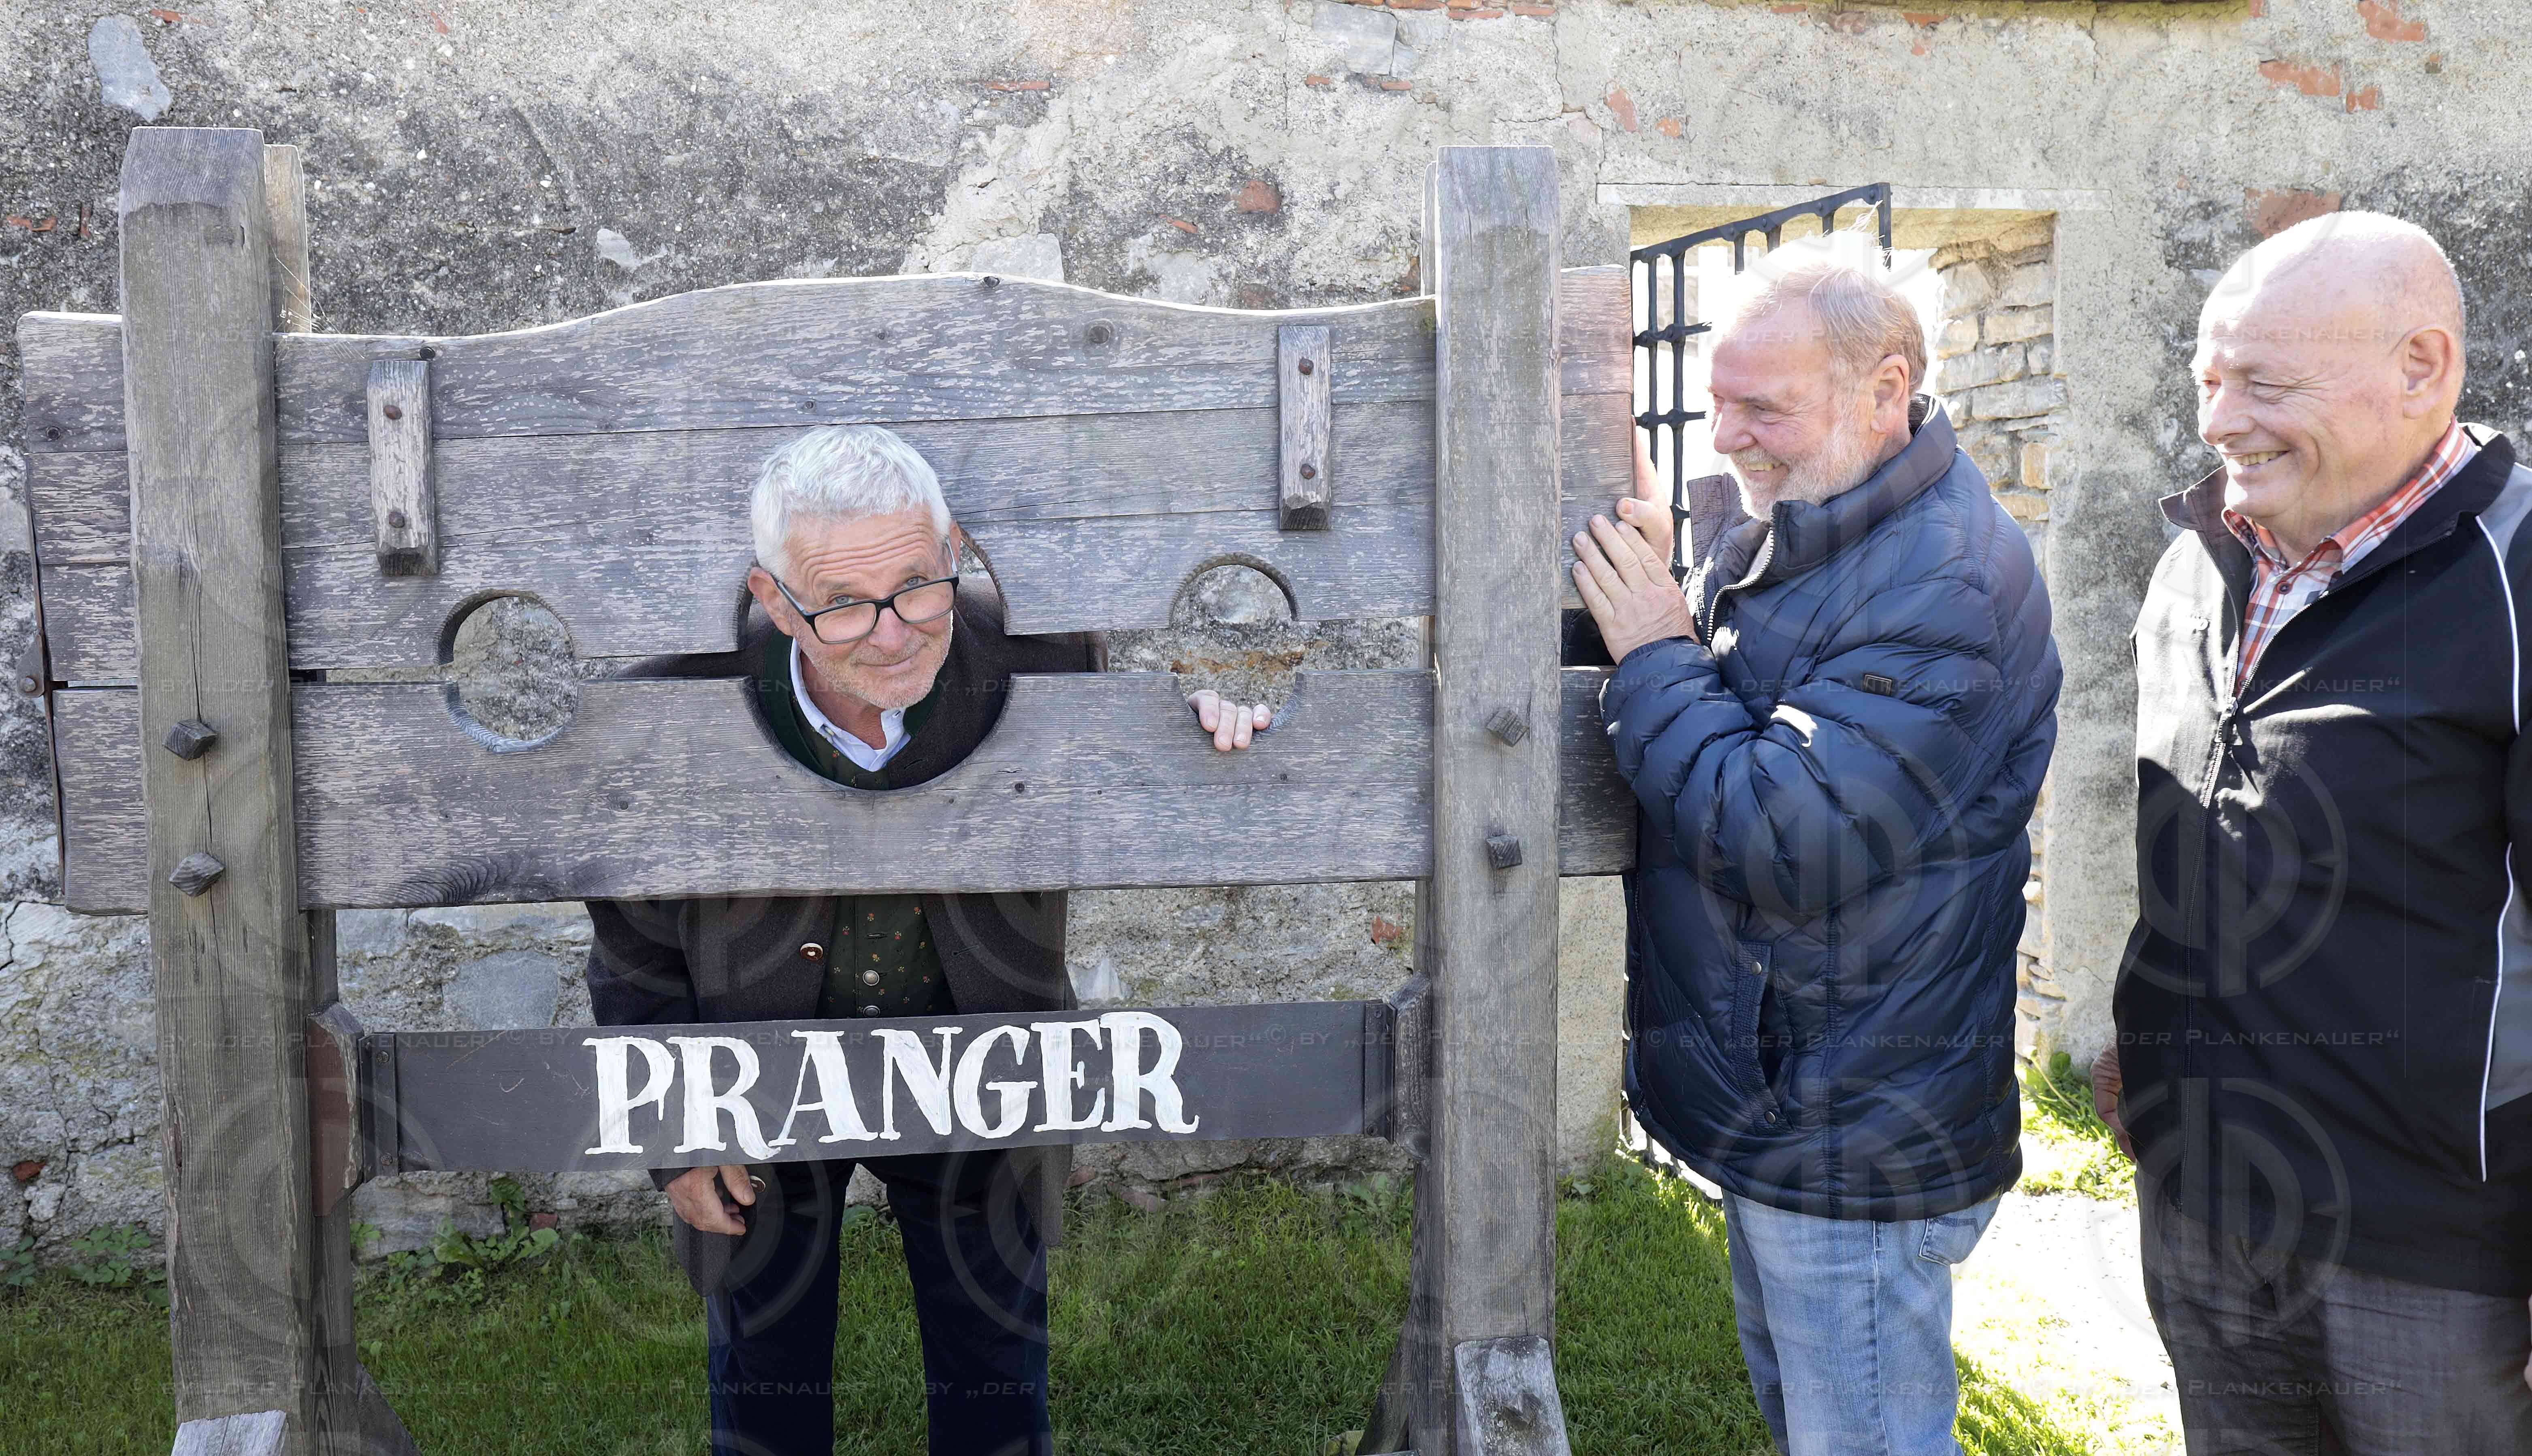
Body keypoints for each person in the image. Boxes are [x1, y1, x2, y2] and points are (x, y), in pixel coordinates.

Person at [583, 424, 1270, 1456]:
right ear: (773, 600)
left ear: (953, 551)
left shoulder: (1044, 657)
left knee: (995, 1386)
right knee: (764, 1390)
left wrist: (1204, 710)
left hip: (982, 1069)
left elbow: (1146, 725)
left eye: (917, 584)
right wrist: (674, 1132)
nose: (894, 631)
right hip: (755, 1075)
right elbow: (631, 940)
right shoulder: (675, 704)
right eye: (844, 603)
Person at [1570, 260, 2060, 1455]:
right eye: (1717, 401)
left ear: (1884, 389)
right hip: (1798, 1101)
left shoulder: (1940, 580)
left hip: (1855, 1124)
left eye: (1762, 410)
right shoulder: (1822, 533)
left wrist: (1650, 654)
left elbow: (1786, 836)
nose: (1728, 436)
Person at [2091, 211, 2532, 1452]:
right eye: (2208, 380)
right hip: (2203, 1201)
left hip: (2432, 1244)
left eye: (2263, 384)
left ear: (2421, 366)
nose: (2217, 421)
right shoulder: (2196, 563)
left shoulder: (2524, 573)